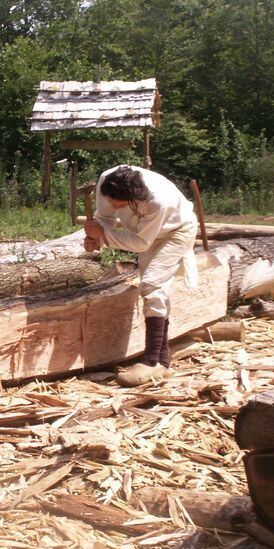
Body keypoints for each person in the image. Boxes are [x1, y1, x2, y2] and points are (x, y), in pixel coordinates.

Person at [84, 165, 198, 387]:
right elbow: (105, 218)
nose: (116, 206)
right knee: (156, 288)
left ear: (137, 196)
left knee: (152, 284)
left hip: (176, 231)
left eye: (122, 204)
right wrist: (97, 236)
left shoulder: (158, 200)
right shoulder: (106, 181)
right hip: (145, 234)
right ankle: (162, 361)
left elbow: (140, 243)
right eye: (113, 201)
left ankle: (151, 361)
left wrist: (105, 235)